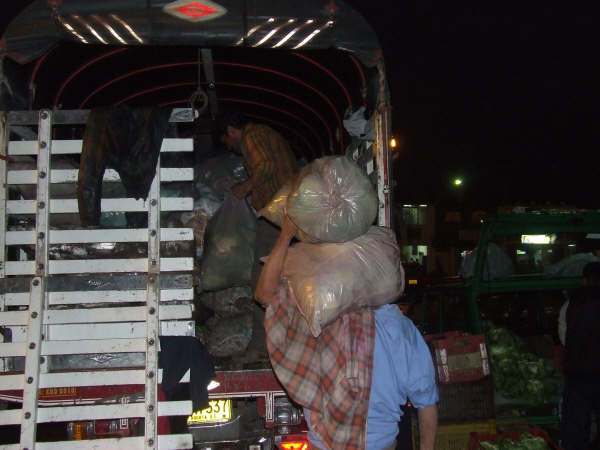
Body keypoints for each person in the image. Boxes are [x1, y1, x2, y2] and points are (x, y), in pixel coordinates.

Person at [255, 213, 439, 450]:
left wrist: (286, 234)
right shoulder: (399, 328)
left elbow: (264, 295)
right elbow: (426, 403)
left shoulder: (315, 318)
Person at [560, 261, 600, 450]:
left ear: (585, 280)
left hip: (578, 374)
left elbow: (563, 336)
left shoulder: (571, 303)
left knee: (575, 429)